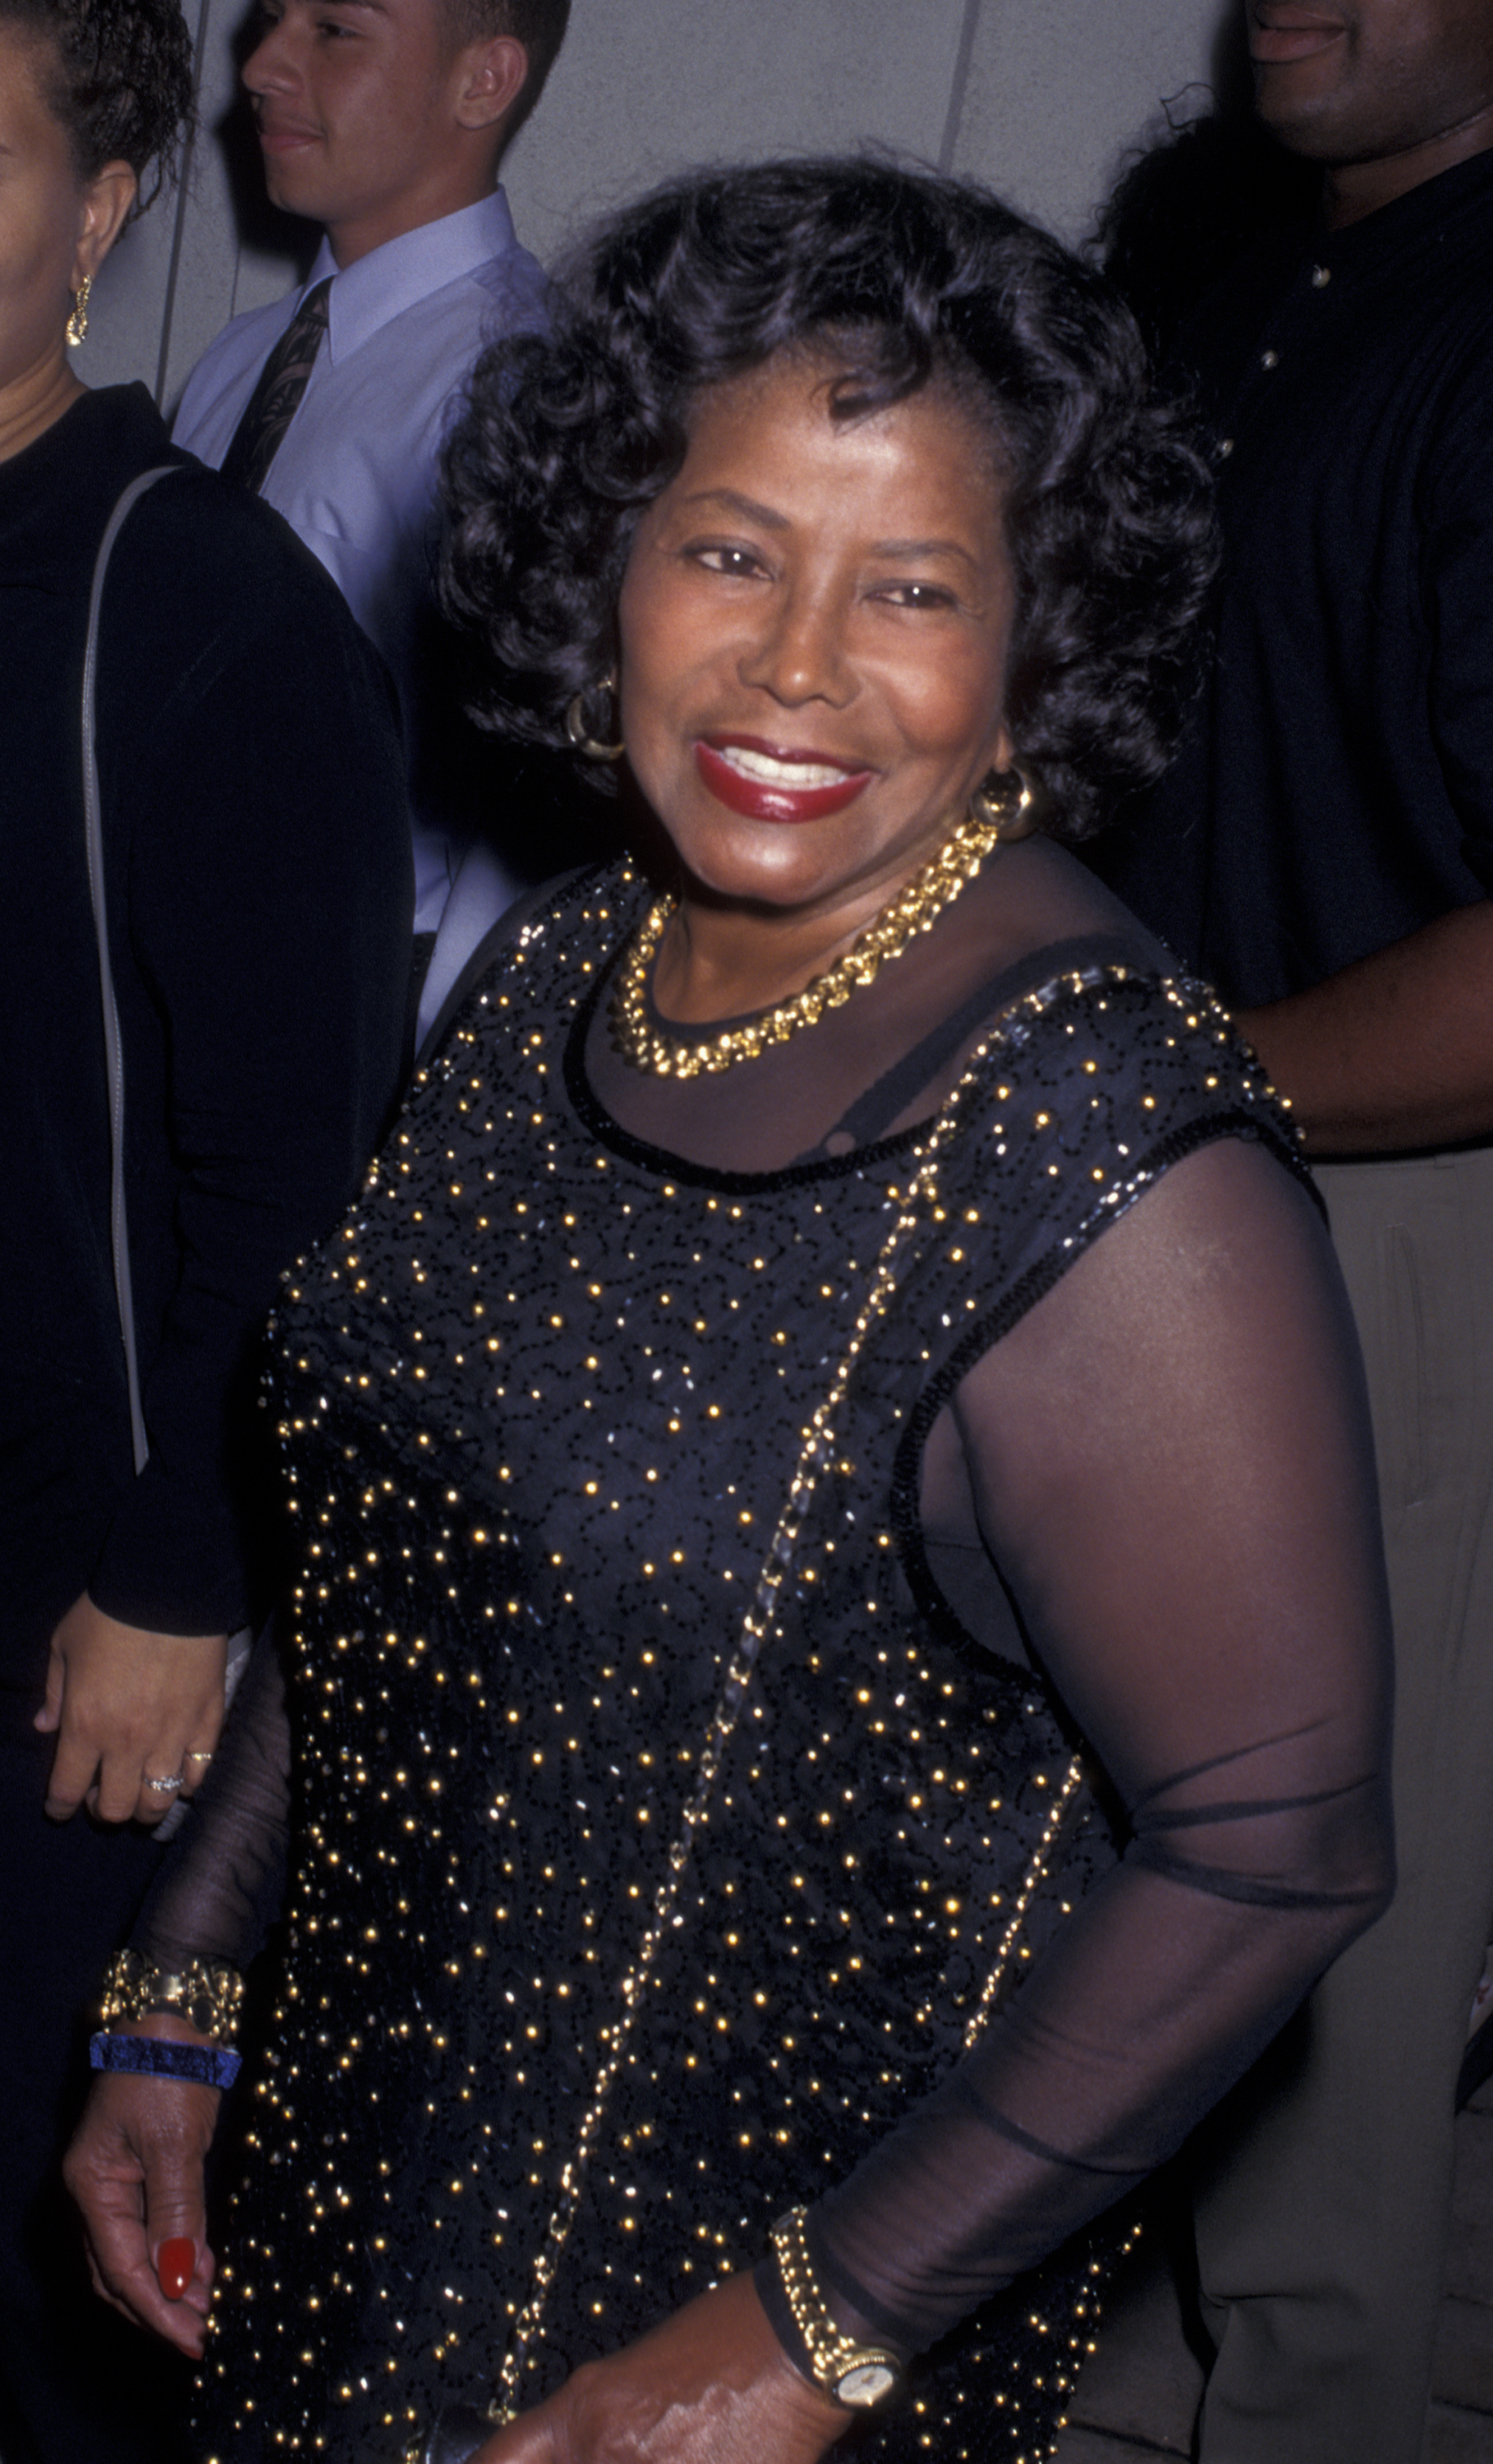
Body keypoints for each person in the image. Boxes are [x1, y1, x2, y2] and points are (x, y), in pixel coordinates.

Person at [67, 159, 1394, 2464]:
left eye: (909, 588)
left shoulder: (1101, 1141)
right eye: (729, 552)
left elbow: (1275, 1839)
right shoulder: (569, 961)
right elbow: (401, 1535)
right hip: (360, 2197)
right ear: (608, 566)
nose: (797, 665)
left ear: (1030, 645)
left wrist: (806, 2339)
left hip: (739, 2312)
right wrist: (186, 1985)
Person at [0, 0, 413, 2454]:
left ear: (105, 206)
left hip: (66, 1591)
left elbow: (307, 1154)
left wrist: (181, 1572)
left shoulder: (197, 604)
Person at [1091, 2, 1493, 2458]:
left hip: (1390, 1225)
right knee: (1126, 1876)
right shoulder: (1257, 286)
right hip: (1158, 1203)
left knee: (1330, 1911)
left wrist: (1183, 1085)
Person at [172, 0, 570, 969]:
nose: (261, 66)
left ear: (484, 80)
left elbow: (518, 809)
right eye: (269, 19)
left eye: (334, 30)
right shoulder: (240, 356)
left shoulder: (525, 391)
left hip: (350, 988)